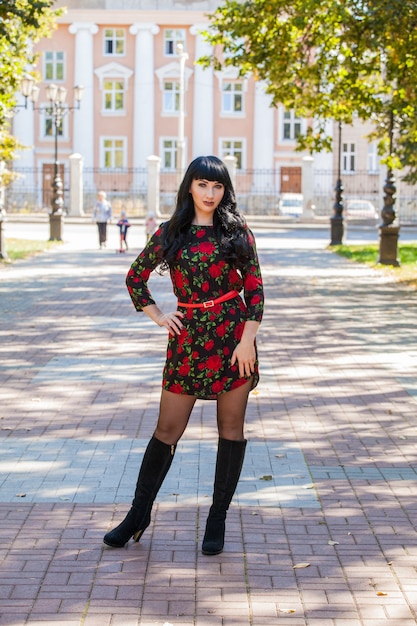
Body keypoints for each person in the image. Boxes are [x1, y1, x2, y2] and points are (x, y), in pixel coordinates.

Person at [103, 155, 264, 555]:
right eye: (202, 185)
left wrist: (248, 340)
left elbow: (256, 290)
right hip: (188, 339)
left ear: (225, 191)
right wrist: (158, 316)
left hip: (233, 340)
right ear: (189, 186)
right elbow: (135, 276)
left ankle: (217, 518)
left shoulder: (237, 232)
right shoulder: (171, 232)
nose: (210, 194)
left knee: (231, 431)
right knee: (166, 430)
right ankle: (138, 514)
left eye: (218, 187)